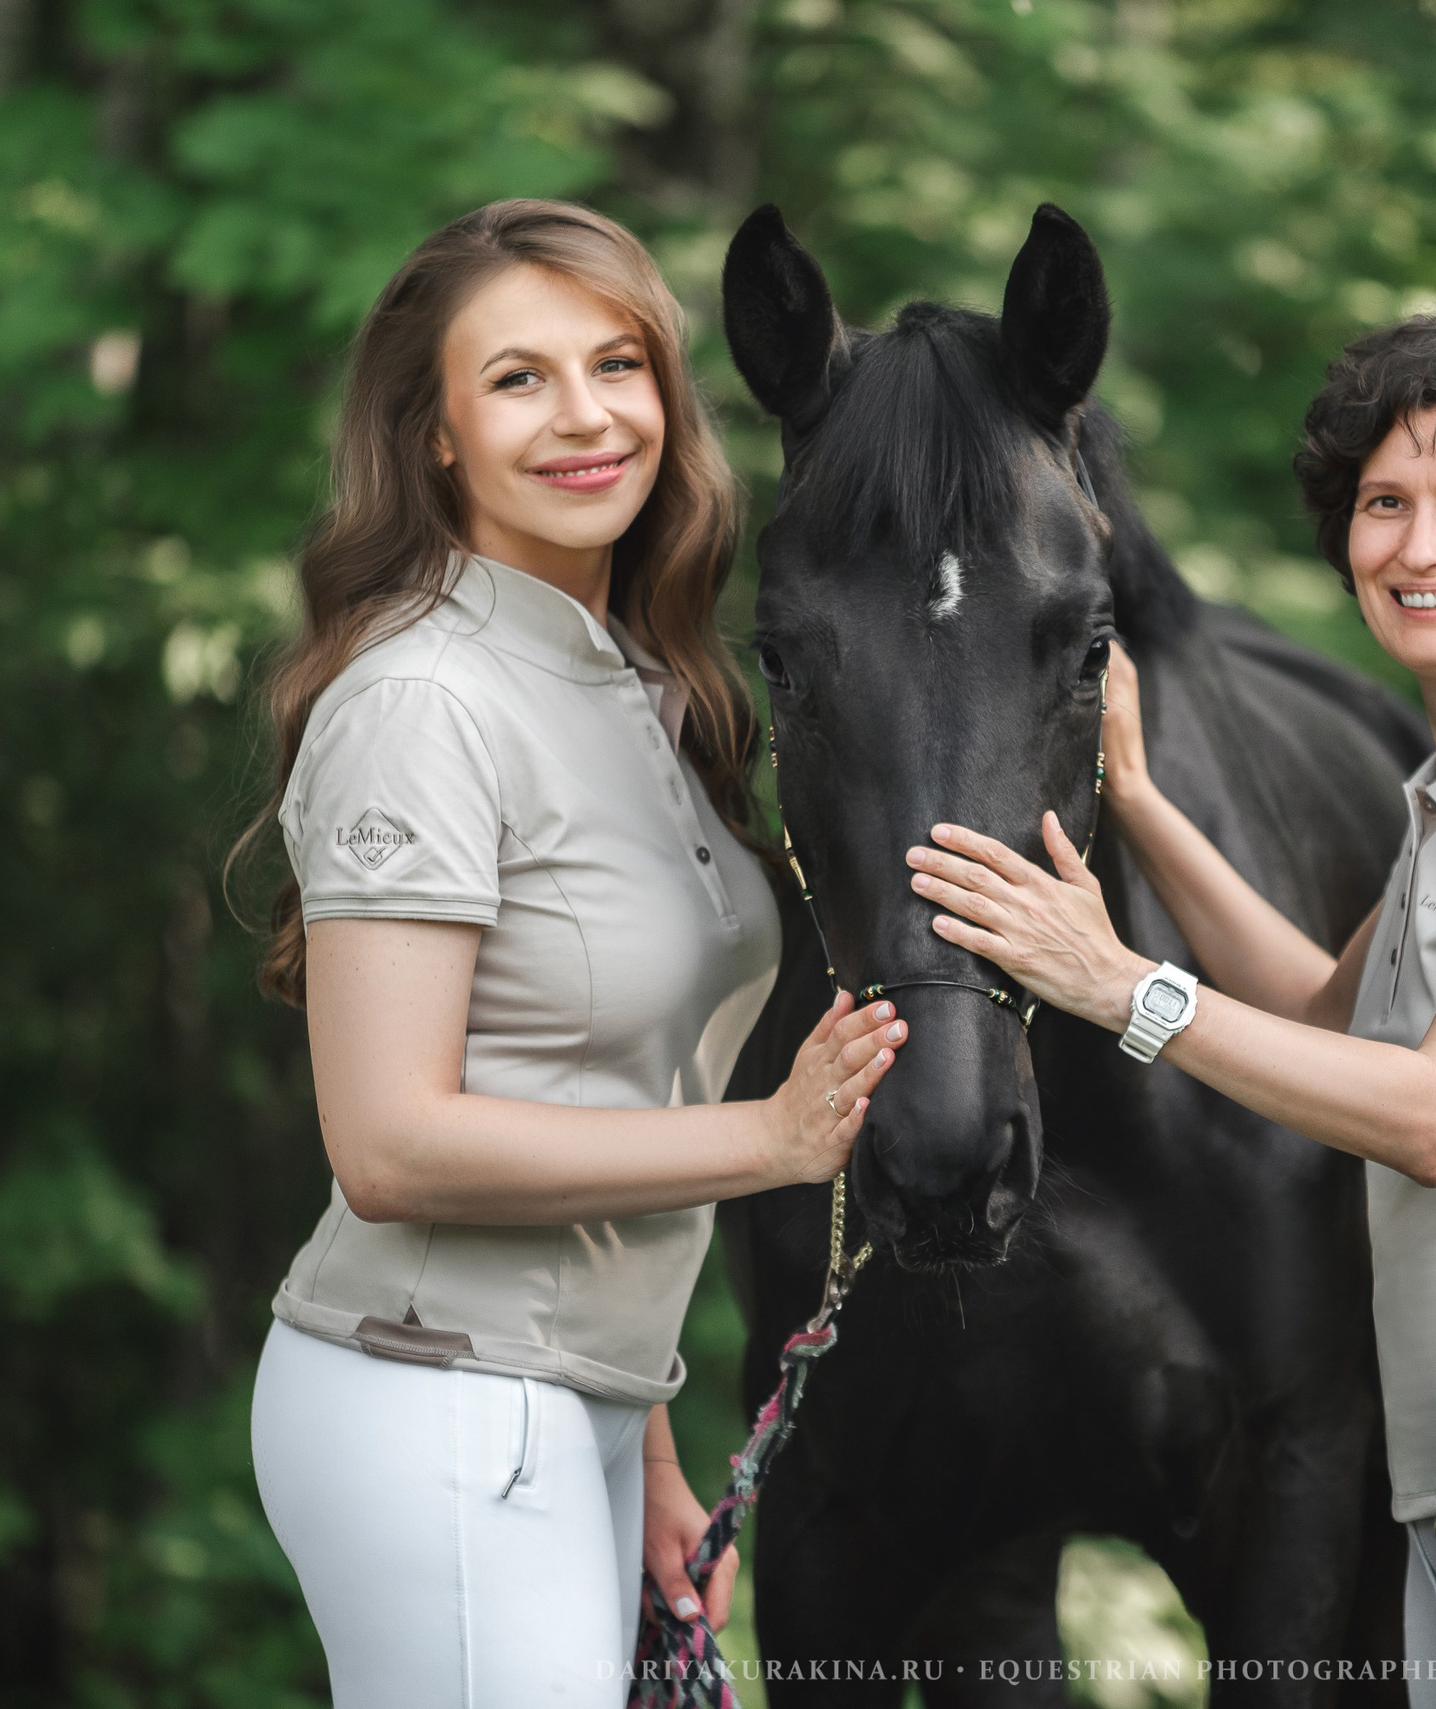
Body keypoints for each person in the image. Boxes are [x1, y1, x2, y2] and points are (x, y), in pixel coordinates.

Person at [908, 307, 1436, 1706]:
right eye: (1385, 503)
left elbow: (1433, 1114)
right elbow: (1317, 1007)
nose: (1419, 545)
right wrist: (1134, 800)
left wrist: (1118, 984)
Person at [230, 199, 904, 1708]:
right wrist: (773, 1138)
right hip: (438, 1396)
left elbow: (603, 1079)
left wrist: (648, 1436)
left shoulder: (646, 689)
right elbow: (390, 1144)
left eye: (620, 363)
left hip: (581, 1400)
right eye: (519, 378)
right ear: (436, 437)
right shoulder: (424, 700)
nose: (589, 416)